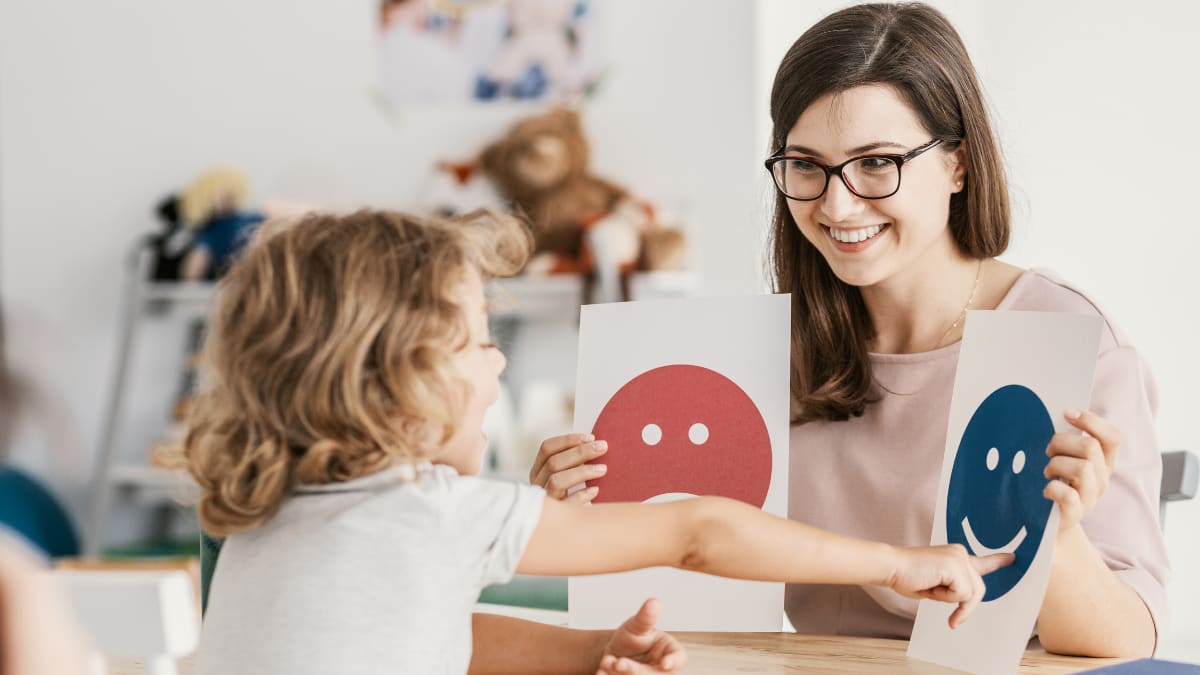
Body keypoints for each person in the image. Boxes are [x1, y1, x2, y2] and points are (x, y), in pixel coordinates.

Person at [530, 1, 1168, 659]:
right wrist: (568, 516)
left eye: (876, 163)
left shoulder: (1066, 337)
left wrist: (1055, 534)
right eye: (806, 165)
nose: (836, 205)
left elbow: (1128, 640)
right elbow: (686, 575)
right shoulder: (758, 356)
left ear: (959, 163)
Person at [183, 209, 1007, 675]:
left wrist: (592, 650)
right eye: (476, 340)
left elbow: (441, 632)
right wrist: (897, 562)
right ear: (393, 384)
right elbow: (697, 530)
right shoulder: (433, 513)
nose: (498, 358)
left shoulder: (263, 517)